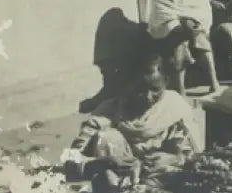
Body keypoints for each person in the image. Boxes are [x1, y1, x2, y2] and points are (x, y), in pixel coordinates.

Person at [64, 50, 201, 192]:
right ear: (128, 85)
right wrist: (104, 162)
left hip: (159, 182)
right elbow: (71, 159)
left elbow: (196, 158)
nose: (148, 97)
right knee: (107, 137)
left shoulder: (175, 108)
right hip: (115, 182)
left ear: (166, 81)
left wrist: (175, 159)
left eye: (155, 90)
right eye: (140, 90)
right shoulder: (110, 110)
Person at [148, 0, 220, 94]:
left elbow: (204, 13)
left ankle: (214, 81)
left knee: (200, 39)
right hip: (168, 37)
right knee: (181, 43)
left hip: (195, 33)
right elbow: (161, 20)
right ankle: (180, 88)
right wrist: (182, 24)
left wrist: (195, 24)